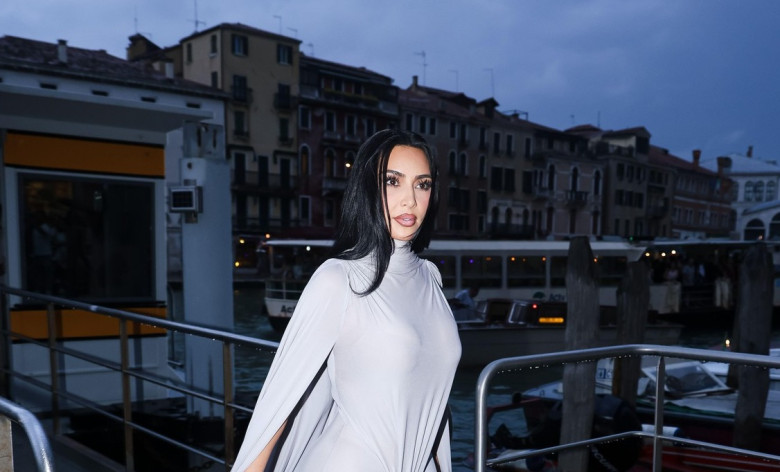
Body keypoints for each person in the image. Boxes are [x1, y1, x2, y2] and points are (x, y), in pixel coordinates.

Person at [232, 129, 462, 472]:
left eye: (422, 184)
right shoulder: (338, 278)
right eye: (393, 181)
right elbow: (282, 397)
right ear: (367, 189)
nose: (410, 200)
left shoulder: (430, 276)